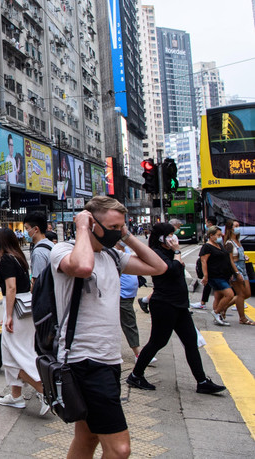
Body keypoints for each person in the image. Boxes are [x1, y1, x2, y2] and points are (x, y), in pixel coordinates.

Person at [50, 196, 167, 459]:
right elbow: (82, 267)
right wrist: (81, 227)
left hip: (109, 359)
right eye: (112, 227)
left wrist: (126, 236)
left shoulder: (114, 256)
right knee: (120, 449)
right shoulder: (63, 251)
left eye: (120, 227)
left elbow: (158, 267)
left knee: (87, 436)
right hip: (85, 361)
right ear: (92, 224)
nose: (117, 232)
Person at [127, 223, 226, 395]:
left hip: (179, 304)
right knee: (158, 341)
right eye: (170, 235)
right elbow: (172, 270)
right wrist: (178, 252)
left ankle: (202, 381)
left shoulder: (170, 252)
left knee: (191, 341)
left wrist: (175, 252)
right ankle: (135, 375)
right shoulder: (156, 253)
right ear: (161, 238)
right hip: (164, 304)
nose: (174, 238)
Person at [0, 228, 49, 415]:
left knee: (14, 357)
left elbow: (11, 288)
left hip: (16, 310)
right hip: (25, 308)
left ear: (2, 241)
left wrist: (8, 316)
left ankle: (44, 391)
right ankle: (16, 396)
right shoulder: (19, 257)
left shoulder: (7, 260)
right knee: (13, 353)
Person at [199, 226, 236, 326]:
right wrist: (205, 276)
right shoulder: (207, 247)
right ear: (211, 235)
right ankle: (216, 312)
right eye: (218, 235)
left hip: (223, 274)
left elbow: (226, 259)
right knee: (230, 294)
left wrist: (230, 272)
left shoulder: (219, 245)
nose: (221, 237)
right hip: (215, 275)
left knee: (218, 296)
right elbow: (204, 261)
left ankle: (217, 317)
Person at [224, 220, 253, 325]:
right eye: (236, 226)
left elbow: (238, 255)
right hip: (236, 269)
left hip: (243, 268)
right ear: (230, 228)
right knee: (240, 294)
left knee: (247, 293)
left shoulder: (238, 240)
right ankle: (242, 318)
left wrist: (244, 257)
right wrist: (236, 273)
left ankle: (224, 307)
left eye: (238, 226)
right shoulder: (229, 243)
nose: (238, 228)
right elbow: (230, 260)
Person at [24, 212, 53, 279]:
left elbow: (38, 281)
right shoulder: (50, 244)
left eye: (26, 228)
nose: (26, 232)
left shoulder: (38, 252)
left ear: (36, 229)